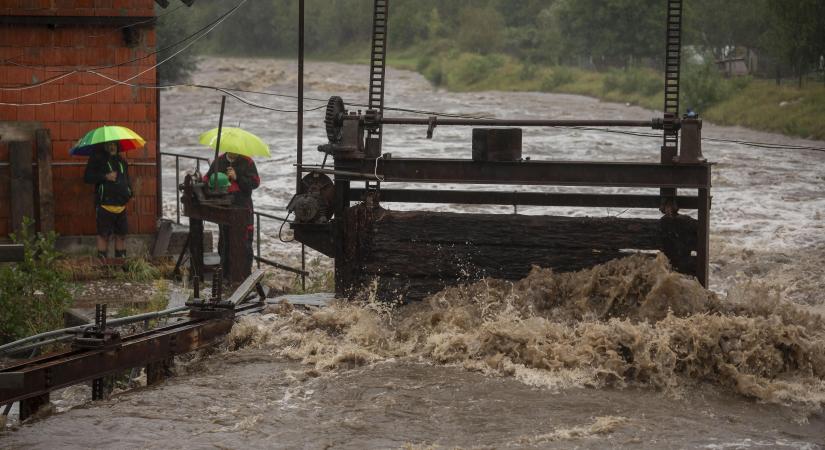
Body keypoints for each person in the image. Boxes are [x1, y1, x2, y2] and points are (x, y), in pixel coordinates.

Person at [204, 151, 260, 281]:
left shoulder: (248, 162)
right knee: (225, 242)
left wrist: (237, 177)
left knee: (245, 243)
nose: (235, 151)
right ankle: (226, 276)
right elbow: (207, 179)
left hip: (243, 208)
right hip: (224, 209)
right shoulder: (219, 161)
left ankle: (245, 277)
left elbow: (255, 183)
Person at [83, 141, 132, 259]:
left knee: (121, 236)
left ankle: (120, 264)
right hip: (104, 205)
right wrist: (105, 176)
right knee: (103, 236)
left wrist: (130, 192)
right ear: (104, 146)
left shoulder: (122, 161)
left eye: (114, 144)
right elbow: (87, 177)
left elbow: (126, 179)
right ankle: (102, 266)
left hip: (121, 205)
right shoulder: (97, 159)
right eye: (109, 144)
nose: (112, 147)